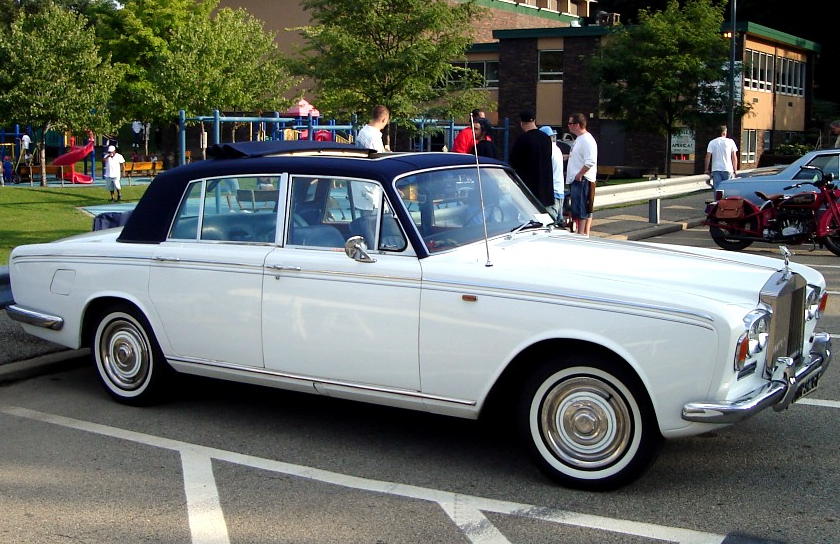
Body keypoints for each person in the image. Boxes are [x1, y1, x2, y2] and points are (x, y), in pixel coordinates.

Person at [509, 110, 554, 208]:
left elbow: (513, 163)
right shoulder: (546, 138)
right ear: (534, 120)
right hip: (546, 189)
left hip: (529, 190)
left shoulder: (522, 139)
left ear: (521, 123)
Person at [565, 113, 598, 236]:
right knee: (577, 208)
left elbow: (590, 160)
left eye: (571, 123)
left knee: (581, 208)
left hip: (583, 179)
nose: (569, 126)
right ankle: (581, 231)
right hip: (576, 179)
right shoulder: (579, 139)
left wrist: (580, 174)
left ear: (578, 125)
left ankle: (581, 232)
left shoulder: (587, 140)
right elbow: (579, 157)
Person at [539, 126, 566, 224]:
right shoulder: (557, 149)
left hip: (551, 194)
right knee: (558, 224)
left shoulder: (547, 150)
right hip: (559, 192)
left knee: (549, 224)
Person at [704, 125, 738, 190]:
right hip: (728, 169)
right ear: (724, 132)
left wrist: (706, 169)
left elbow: (708, 157)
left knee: (718, 190)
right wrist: (735, 170)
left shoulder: (712, 142)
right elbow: (734, 157)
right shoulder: (730, 141)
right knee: (727, 190)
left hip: (716, 169)